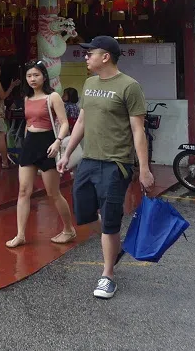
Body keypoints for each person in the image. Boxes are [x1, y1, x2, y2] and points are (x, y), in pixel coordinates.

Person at [58, 35, 154, 300]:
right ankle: (113, 243)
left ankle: (108, 274)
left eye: (90, 53)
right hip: (89, 161)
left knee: (110, 221)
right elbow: (81, 123)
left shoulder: (129, 87)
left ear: (106, 57)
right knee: (84, 214)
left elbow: (138, 131)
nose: (86, 57)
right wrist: (67, 154)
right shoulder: (89, 84)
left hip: (116, 164)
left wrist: (143, 168)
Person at [6, 60, 76, 249]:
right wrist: (25, 144)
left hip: (48, 145)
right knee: (23, 191)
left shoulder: (52, 97)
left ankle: (69, 229)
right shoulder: (27, 99)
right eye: (29, 76)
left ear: (44, 76)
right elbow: (29, 124)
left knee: (53, 193)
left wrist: (57, 141)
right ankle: (20, 234)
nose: (32, 79)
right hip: (30, 145)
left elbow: (64, 123)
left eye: (36, 75)